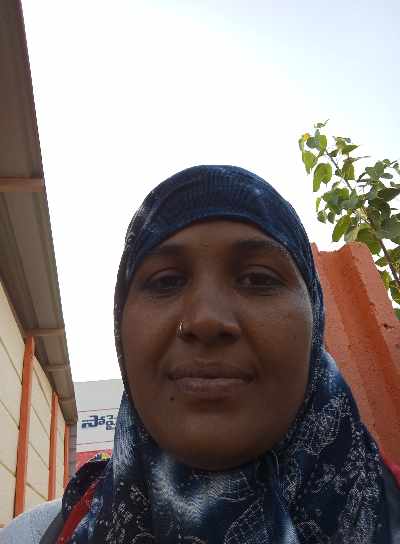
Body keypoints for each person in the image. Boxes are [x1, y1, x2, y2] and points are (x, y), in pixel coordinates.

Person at [1, 165, 399, 543]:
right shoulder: (32, 536)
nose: (206, 319)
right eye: (166, 281)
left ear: (314, 315)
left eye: (257, 278)